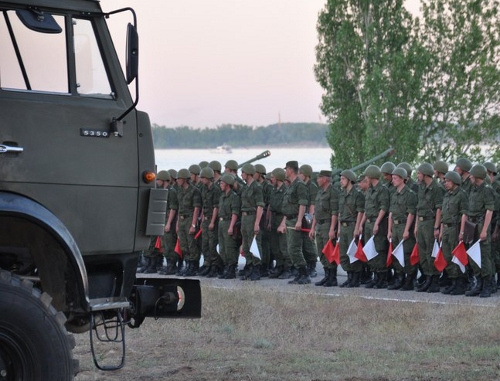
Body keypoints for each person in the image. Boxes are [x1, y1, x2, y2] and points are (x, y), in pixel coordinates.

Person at [465, 165, 496, 298]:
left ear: (477, 176)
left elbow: (489, 211)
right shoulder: (472, 188)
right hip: (471, 224)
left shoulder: (487, 190)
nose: (470, 176)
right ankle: (479, 284)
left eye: (472, 175)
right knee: (472, 255)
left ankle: (487, 286)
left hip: (481, 223)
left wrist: (484, 230)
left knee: (484, 256)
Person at [277, 161, 310, 284]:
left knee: (294, 248)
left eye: (286, 170)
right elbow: (288, 206)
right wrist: (284, 223)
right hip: (290, 219)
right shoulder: (291, 185)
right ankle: (300, 273)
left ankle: (304, 274)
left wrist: (299, 221)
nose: (285, 172)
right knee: (291, 249)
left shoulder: (299, 185)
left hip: (296, 219)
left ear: (290, 170)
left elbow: (302, 204)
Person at [414, 163, 444, 293]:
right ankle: (427, 277)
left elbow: (439, 209)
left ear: (426, 174)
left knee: (431, 252)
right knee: (422, 252)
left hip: (431, 222)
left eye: (419, 173)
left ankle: (434, 279)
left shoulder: (437, 188)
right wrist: (416, 225)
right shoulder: (421, 187)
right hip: (421, 222)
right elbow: (418, 208)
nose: (418, 175)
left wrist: (436, 227)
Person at [387, 167, 417, 290]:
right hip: (395, 226)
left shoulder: (410, 194)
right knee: (396, 253)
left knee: (406, 253)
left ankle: (409, 280)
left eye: (395, 178)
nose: (392, 181)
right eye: (392, 178)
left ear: (402, 179)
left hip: (404, 226)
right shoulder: (394, 194)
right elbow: (390, 214)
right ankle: (399, 278)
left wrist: (406, 230)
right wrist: (389, 230)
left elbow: (411, 213)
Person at [360, 165, 390, 289]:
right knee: (370, 250)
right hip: (368, 223)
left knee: (379, 250)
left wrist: (377, 223)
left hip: (378, 223)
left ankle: (382, 279)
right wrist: (361, 224)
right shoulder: (370, 190)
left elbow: (383, 208)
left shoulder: (382, 190)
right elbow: (367, 210)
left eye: (367, 175)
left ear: (371, 175)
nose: (365, 177)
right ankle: (375, 276)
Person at [439, 171, 468, 295]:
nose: (446, 183)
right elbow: (443, 214)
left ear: (455, 181)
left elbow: (464, 214)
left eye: (448, 181)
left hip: (455, 229)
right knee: (447, 256)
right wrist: (440, 230)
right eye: (445, 181)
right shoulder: (447, 195)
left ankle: (460, 283)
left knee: (456, 256)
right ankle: (453, 281)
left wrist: (462, 231)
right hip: (445, 228)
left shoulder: (461, 194)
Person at [310, 170, 339, 287]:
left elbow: (334, 212)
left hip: (328, 224)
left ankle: (332, 277)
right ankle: (327, 276)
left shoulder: (333, 192)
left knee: (329, 251)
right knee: (321, 251)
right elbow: (316, 212)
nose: (317, 180)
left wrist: (332, 228)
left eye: (319, 178)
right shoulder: (320, 192)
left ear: (326, 179)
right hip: (319, 225)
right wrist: (312, 228)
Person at [337, 169, 365, 288]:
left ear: (349, 180)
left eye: (343, 179)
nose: (341, 181)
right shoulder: (342, 194)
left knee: (353, 253)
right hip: (343, 227)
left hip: (352, 225)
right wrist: (338, 228)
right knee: (343, 254)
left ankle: (356, 279)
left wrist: (357, 227)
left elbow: (360, 212)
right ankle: (349, 277)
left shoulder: (357, 194)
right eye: (341, 179)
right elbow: (339, 213)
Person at [239, 164, 265, 281]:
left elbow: (260, 206)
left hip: (252, 217)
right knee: (246, 245)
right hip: (245, 218)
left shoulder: (257, 187)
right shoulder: (245, 187)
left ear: (249, 173)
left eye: (243, 172)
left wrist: (256, 223)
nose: (241, 174)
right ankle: (249, 266)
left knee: (254, 244)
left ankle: (256, 268)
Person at [176, 168, 202, 276]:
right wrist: (177, 223)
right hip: (181, 219)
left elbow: (196, 208)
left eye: (179, 179)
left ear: (184, 179)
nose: (177, 181)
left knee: (191, 244)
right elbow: (179, 207)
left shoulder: (194, 191)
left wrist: (193, 224)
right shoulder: (180, 191)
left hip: (190, 218)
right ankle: (187, 264)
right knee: (183, 244)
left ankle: (193, 266)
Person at [268, 168, 292, 279]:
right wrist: (268, 222)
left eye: (273, 177)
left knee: (284, 246)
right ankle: (279, 266)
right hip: (274, 218)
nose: (271, 179)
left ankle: (288, 269)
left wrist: (283, 224)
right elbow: (270, 207)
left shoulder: (286, 191)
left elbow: (287, 210)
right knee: (275, 246)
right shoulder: (273, 190)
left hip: (282, 218)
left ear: (278, 178)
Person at [199, 167, 223, 277]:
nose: (201, 179)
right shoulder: (203, 188)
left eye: (203, 177)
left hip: (212, 219)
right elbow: (204, 205)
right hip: (206, 219)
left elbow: (215, 207)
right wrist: (203, 218)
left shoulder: (215, 190)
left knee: (212, 244)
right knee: (205, 244)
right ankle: (207, 264)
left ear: (208, 178)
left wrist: (212, 222)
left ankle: (215, 266)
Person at [217, 174, 241, 279]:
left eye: (222, 183)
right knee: (222, 248)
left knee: (229, 247)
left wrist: (231, 226)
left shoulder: (234, 197)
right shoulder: (222, 196)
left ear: (227, 184)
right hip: (221, 223)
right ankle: (227, 267)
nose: (220, 185)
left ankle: (231, 268)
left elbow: (235, 213)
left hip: (229, 222)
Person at [299, 164, 319, 277]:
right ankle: (306, 264)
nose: (299, 175)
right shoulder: (301, 185)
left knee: (309, 243)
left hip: (308, 217)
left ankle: (312, 266)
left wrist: (310, 219)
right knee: (303, 243)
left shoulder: (312, 186)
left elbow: (313, 204)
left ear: (305, 175)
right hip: (302, 216)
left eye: (301, 173)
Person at [159, 170, 179, 275]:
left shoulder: (171, 191)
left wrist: (169, 223)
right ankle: (168, 265)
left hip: (168, 219)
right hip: (164, 219)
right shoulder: (164, 190)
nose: (157, 181)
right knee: (165, 244)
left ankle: (172, 266)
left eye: (159, 179)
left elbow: (173, 208)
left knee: (170, 243)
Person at [254, 164, 273, 276]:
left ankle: (265, 265)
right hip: (258, 214)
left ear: (260, 173)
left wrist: (267, 219)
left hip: (265, 213)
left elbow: (270, 204)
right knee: (258, 241)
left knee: (265, 242)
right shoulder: (256, 185)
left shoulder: (267, 186)